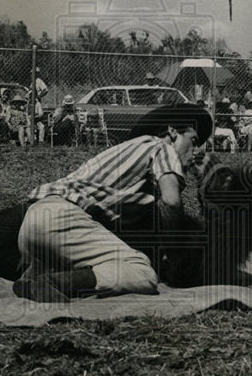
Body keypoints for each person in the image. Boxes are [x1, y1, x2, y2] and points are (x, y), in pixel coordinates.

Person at [12, 103, 213, 302]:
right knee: (142, 272)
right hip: (62, 220)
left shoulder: (129, 148)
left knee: (100, 261)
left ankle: (34, 277)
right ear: (173, 132)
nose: (195, 151)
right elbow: (171, 201)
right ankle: (53, 282)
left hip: (32, 223)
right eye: (193, 141)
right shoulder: (163, 148)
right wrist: (178, 254)